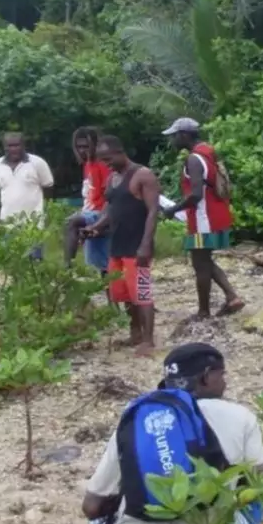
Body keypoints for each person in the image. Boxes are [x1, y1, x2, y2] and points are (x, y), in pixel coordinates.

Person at [81, 342, 263, 524]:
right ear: (206, 377)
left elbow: (91, 507)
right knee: (254, 499)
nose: (225, 382)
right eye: (222, 375)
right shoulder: (240, 417)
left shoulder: (137, 416)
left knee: (100, 514)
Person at [81, 135, 162, 357]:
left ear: (120, 152)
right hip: (116, 244)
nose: (105, 164)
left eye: (108, 159)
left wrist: (146, 244)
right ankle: (135, 332)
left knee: (142, 294)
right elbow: (111, 209)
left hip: (137, 244)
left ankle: (148, 340)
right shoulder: (112, 178)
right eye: (102, 159)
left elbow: (153, 211)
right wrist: (95, 227)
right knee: (123, 292)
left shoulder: (143, 175)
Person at [165, 117, 244, 318]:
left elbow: (195, 195)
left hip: (203, 219)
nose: (172, 140)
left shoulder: (193, 159)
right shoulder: (209, 152)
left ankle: (203, 311)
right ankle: (232, 296)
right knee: (205, 260)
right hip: (217, 215)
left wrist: (173, 209)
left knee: (200, 264)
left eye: (174, 136)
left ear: (184, 135)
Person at [61, 126, 112, 269]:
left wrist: (101, 221)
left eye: (86, 146)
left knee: (72, 222)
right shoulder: (88, 165)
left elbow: (109, 196)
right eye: (79, 147)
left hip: (101, 211)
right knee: (98, 263)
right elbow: (90, 194)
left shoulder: (102, 165)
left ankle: (67, 266)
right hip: (90, 210)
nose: (82, 150)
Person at [0, 132, 53, 226]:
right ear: (4, 147)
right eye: (10, 146)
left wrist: (46, 213)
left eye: (17, 145)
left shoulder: (37, 163)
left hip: (35, 221)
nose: (13, 149)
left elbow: (48, 187)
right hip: (8, 221)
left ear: (23, 146)